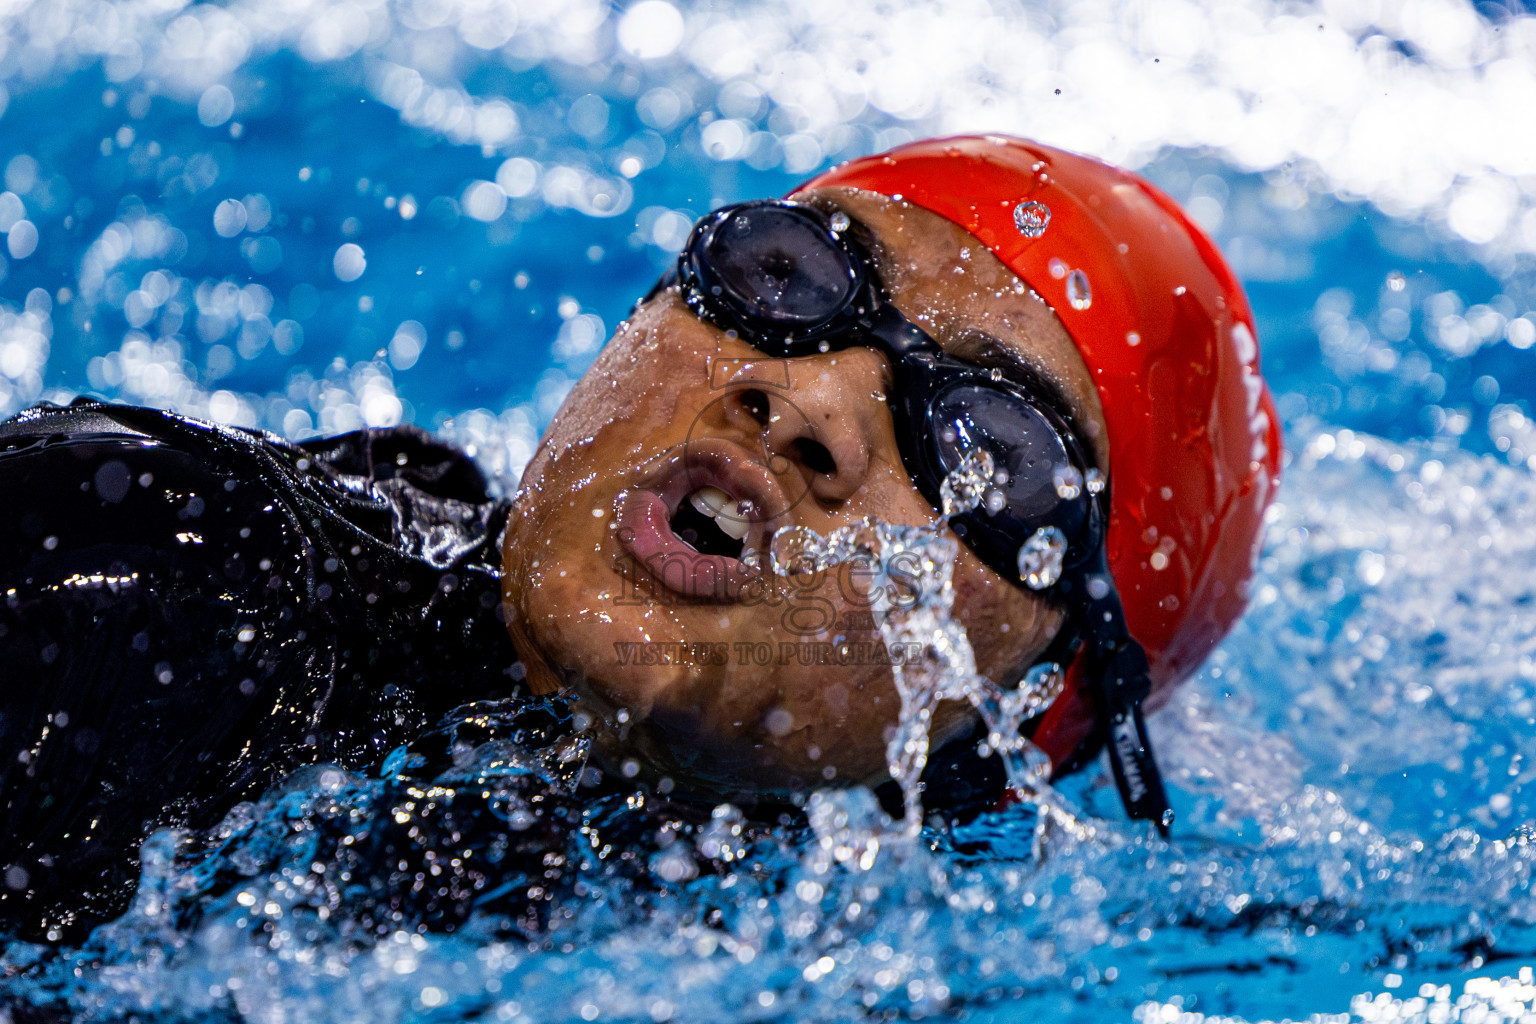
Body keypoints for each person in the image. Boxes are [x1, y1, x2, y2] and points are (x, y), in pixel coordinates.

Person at [0, 134, 1280, 942]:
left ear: (1038, 698)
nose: (814, 399)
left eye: (985, 445)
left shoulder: (922, 953)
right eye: (792, 276)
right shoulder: (149, 587)